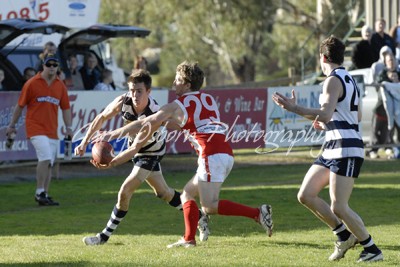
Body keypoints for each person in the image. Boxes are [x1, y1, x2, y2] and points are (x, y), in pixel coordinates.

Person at [92, 61, 273, 248]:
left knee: (209, 206)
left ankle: (257, 213)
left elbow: (146, 122)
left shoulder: (178, 104)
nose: (173, 84)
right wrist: (162, 122)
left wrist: (113, 133)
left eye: (178, 80)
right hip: (225, 153)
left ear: (187, 84)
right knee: (186, 194)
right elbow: (176, 123)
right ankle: (189, 239)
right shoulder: (208, 99)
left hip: (211, 154)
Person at [272, 36, 383, 263]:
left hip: (346, 147)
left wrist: (294, 108)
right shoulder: (349, 78)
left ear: (323, 57)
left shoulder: (332, 81)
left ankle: (371, 249)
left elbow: (324, 113)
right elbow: (354, 115)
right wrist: (326, 121)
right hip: (333, 145)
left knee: (339, 206)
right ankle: (343, 235)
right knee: (306, 194)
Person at [75, 69, 210, 245]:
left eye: (139, 91)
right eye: (131, 90)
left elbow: (134, 149)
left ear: (148, 91)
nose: (134, 95)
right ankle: (199, 217)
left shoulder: (153, 113)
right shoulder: (124, 101)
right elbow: (101, 117)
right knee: (163, 193)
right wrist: (84, 142)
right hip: (138, 150)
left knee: (125, 191)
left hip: (151, 152)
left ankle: (103, 237)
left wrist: (112, 163)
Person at [6, 53, 73, 206]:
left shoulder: (60, 85)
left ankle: (45, 193)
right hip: (35, 127)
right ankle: (39, 192)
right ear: (43, 66)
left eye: (54, 65)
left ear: (58, 68)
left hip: (52, 129)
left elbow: (66, 108)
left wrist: (69, 128)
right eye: (48, 65)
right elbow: (20, 106)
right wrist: (12, 125)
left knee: (49, 162)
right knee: (45, 157)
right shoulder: (32, 83)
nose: (51, 67)